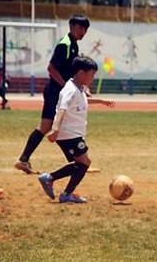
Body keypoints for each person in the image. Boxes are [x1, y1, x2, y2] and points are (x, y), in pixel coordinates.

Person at [15, 15, 90, 174]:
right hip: (56, 92)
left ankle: (23, 160)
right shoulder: (65, 44)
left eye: (85, 29)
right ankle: (78, 160)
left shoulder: (73, 44)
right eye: (79, 28)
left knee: (44, 127)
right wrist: (66, 87)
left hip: (54, 91)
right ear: (71, 27)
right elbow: (51, 68)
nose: (83, 31)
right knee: (64, 125)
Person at [38, 56, 114, 203]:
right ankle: (64, 192)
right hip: (68, 134)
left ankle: (50, 179)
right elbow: (62, 109)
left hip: (73, 134)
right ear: (81, 73)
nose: (92, 78)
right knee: (84, 162)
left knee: (81, 164)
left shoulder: (78, 89)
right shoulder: (70, 90)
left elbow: (83, 100)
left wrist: (102, 101)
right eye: (91, 74)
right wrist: (55, 129)